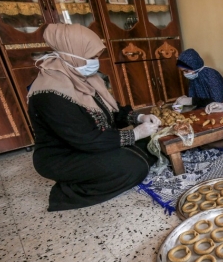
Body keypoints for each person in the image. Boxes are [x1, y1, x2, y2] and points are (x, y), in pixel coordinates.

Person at [28, 23, 160, 212]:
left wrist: (139, 119)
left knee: (151, 144)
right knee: (132, 167)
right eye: (91, 57)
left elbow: (112, 112)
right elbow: (86, 139)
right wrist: (134, 135)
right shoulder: (50, 93)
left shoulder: (84, 78)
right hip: (64, 156)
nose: (96, 61)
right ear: (72, 54)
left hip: (93, 142)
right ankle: (66, 193)